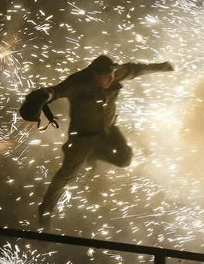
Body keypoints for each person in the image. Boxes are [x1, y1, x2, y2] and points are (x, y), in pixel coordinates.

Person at [20, 55, 174, 228]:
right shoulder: (76, 83)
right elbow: (56, 91)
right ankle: (45, 210)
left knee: (125, 159)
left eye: (112, 75)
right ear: (95, 74)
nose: (111, 79)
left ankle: (93, 155)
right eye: (106, 77)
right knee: (66, 176)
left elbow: (135, 69)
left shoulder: (114, 73)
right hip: (82, 138)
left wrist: (161, 67)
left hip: (108, 131)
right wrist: (44, 95)